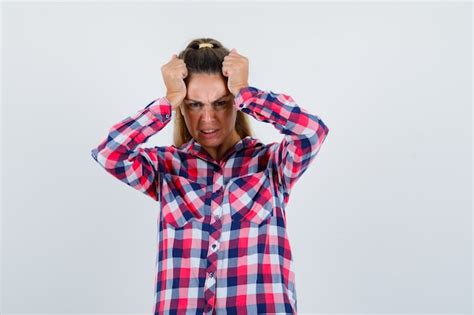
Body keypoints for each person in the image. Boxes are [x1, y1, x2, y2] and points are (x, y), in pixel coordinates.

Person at [91, 38, 329, 315]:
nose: (208, 119)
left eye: (220, 103)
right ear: (182, 106)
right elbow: (110, 153)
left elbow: (312, 132)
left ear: (235, 104)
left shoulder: (272, 165)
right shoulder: (166, 168)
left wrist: (246, 92)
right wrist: (166, 102)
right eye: (194, 105)